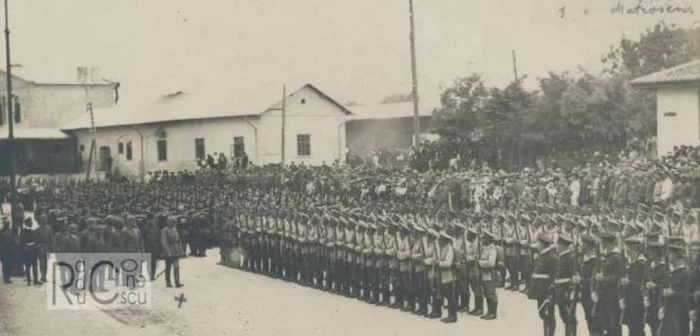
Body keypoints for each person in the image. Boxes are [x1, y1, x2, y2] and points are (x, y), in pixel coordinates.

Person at [528, 232, 558, 336]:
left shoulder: (552, 257)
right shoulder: (542, 255)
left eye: (537, 242)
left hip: (546, 291)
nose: (536, 245)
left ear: (542, 244)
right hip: (540, 290)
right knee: (542, 314)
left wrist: (550, 294)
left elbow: (553, 278)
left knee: (548, 316)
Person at [479, 230, 499, 320]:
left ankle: (493, 313)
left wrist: (480, 263)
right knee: (486, 293)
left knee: (491, 293)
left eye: (484, 238)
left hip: (490, 273)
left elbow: (491, 263)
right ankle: (489, 311)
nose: (482, 239)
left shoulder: (492, 249)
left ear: (488, 239)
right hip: (485, 273)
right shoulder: (485, 248)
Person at [438, 230, 457, 323]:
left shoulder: (449, 249)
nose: (439, 241)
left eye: (440, 239)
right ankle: (450, 315)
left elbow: (448, 263)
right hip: (443, 275)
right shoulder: (442, 248)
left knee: (450, 297)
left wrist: (438, 263)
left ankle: (453, 316)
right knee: (447, 295)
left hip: (449, 275)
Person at [161, 216, 185, 288]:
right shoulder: (165, 230)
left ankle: (177, 282)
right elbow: (164, 242)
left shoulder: (175, 229)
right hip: (169, 251)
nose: (175, 223)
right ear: (169, 222)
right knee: (168, 267)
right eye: (173, 222)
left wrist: (181, 250)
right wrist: (168, 252)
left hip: (176, 250)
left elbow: (178, 240)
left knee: (176, 267)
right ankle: (168, 283)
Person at [19, 217, 41, 286]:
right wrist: (25, 247)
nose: (31, 223)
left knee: (34, 264)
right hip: (27, 250)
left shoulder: (32, 230)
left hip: (33, 249)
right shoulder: (23, 231)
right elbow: (21, 241)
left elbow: (36, 240)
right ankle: (29, 281)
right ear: (27, 223)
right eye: (30, 222)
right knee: (28, 265)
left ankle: (35, 280)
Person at [0, 217, 14, 284]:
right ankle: (6, 278)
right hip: (3, 250)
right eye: (6, 224)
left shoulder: (10, 231)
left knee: (9, 264)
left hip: (9, 249)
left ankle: (8, 277)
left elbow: (12, 240)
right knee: (5, 264)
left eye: (8, 224)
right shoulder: (1, 232)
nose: (8, 225)